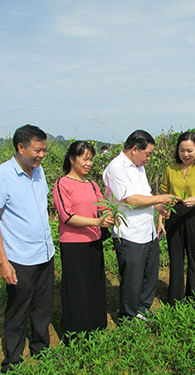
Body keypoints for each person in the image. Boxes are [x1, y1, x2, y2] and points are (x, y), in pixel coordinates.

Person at [0, 125, 56, 373]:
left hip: (45, 253)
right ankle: (13, 360)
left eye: (44, 150)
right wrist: (4, 262)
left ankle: (41, 348)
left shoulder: (39, 171)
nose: (42, 155)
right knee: (18, 309)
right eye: (38, 150)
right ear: (20, 147)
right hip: (20, 257)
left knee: (43, 306)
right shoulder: (0, 176)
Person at [103, 129, 176, 321]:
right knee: (131, 279)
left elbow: (146, 195)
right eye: (148, 154)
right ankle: (128, 316)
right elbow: (131, 200)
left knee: (149, 273)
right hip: (129, 233)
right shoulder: (116, 167)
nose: (148, 159)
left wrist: (158, 205)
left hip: (147, 231)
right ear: (135, 149)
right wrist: (161, 198)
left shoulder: (139, 167)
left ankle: (143, 308)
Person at [52, 141, 115, 342]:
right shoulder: (62, 184)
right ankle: (76, 333)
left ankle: (96, 327)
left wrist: (110, 214)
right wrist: (97, 221)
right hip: (73, 243)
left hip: (94, 240)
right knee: (77, 287)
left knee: (94, 284)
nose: (89, 163)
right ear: (72, 159)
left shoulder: (91, 184)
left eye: (91, 159)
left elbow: (102, 205)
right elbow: (67, 216)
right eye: (84, 159)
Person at [157, 131, 195, 305]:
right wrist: (161, 218)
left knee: (194, 257)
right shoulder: (170, 169)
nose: (186, 154)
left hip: (194, 215)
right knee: (175, 257)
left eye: (189, 150)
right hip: (173, 214)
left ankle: (193, 298)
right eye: (182, 150)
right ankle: (175, 298)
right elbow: (164, 194)